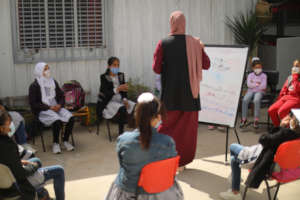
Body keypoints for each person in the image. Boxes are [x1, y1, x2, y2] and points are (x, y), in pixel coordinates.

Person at [152, 11, 210, 169]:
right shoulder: (194, 43)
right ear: (184, 23)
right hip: (191, 95)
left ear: (172, 23)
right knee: (186, 132)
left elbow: (156, 69)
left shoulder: (163, 43)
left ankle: (165, 160)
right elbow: (206, 65)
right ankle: (181, 163)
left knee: (167, 128)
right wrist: (200, 49)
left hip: (170, 95)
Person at [105, 93, 183, 200]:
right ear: (158, 117)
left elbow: (122, 166)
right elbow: (170, 172)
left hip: (127, 193)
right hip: (161, 194)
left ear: (136, 115)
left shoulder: (123, 140)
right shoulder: (168, 142)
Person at [219, 114, 300, 200]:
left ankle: (235, 191)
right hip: (287, 169)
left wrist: (281, 126)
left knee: (233, 147)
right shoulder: (295, 137)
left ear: (293, 122)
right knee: (234, 159)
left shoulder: (285, 134)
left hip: (265, 164)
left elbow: (263, 139)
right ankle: (235, 184)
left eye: (292, 117)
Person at [0, 110, 66, 200]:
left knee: (36, 160)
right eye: (8, 124)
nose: (11, 128)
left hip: (4, 181)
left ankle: (42, 192)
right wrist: (33, 167)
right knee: (59, 170)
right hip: (17, 185)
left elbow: (6, 162)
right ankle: (44, 193)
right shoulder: (7, 145)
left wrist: (20, 162)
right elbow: (21, 174)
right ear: (1, 128)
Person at [29, 62, 75, 154]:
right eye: (45, 69)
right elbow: (34, 104)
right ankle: (56, 143)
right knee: (56, 120)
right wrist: (49, 107)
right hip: (43, 110)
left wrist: (59, 105)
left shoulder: (53, 82)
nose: (48, 71)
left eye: (48, 68)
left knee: (71, 118)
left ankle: (65, 140)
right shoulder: (34, 86)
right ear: (39, 71)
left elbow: (61, 96)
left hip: (56, 107)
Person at [97, 56, 135, 135]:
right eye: (114, 65)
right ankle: (121, 133)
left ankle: (136, 129)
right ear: (109, 66)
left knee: (136, 106)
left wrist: (125, 100)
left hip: (120, 100)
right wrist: (117, 89)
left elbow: (124, 91)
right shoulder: (104, 77)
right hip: (109, 102)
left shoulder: (121, 75)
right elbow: (106, 93)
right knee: (122, 109)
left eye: (118, 65)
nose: (116, 67)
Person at [268, 59, 300, 127]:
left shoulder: (295, 78)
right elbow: (284, 89)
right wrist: (280, 98)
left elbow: (296, 89)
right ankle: (278, 128)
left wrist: (295, 77)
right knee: (271, 110)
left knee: (281, 111)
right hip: (286, 97)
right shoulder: (290, 77)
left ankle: (288, 129)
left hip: (295, 99)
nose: (294, 68)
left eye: (297, 66)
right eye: (294, 66)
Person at [240, 57, 267, 129]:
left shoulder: (264, 76)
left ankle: (256, 120)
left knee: (256, 100)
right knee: (245, 100)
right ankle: (244, 119)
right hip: (250, 91)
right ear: (253, 68)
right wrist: (258, 84)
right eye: (256, 67)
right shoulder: (250, 75)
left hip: (260, 92)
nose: (258, 69)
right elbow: (249, 85)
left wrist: (253, 84)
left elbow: (263, 86)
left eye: (260, 67)